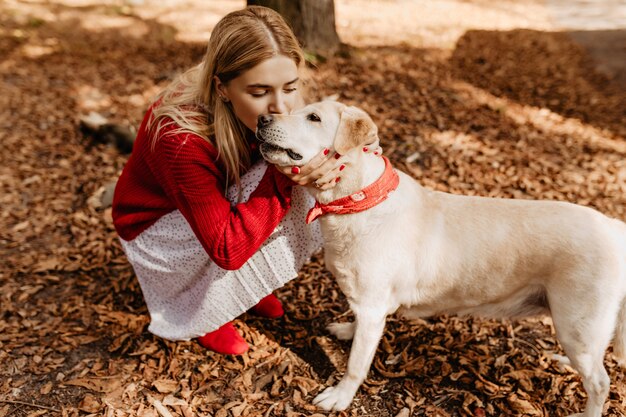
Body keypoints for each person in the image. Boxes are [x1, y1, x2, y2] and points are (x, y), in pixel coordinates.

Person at [112, 6, 380, 355]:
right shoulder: (179, 139)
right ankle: (208, 310)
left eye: (291, 87)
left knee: (314, 171)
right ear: (222, 88)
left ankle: (245, 288)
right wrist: (287, 175)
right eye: (259, 93)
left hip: (226, 194)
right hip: (159, 228)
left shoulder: (272, 103)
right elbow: (225, 248)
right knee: (290, 188)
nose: (280, 107)